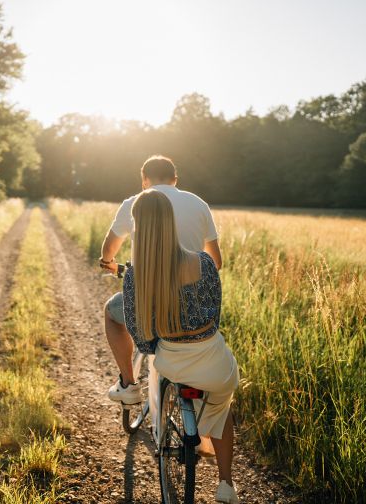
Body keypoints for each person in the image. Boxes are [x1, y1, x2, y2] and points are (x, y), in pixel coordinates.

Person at [124, 189, 240, 503]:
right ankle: (226, 484)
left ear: (138, 227)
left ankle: (187, 436)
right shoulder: (204, 262)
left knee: (173, 379)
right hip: (215, 364)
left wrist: (160, 344)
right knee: (221, 409)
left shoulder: (136, 275)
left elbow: (139, 334)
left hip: (173, 362)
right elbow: (215, 316)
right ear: (171, 222)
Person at [100, 155, 221, 420]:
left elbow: (109, 249)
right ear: (175, 180)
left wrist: (109, 263)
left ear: (144, 180)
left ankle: (128, 384)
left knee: (111, 312)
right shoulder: (198, 203)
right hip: (192, 307)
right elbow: (216, 262)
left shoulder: (136, 203)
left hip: (151, 302)